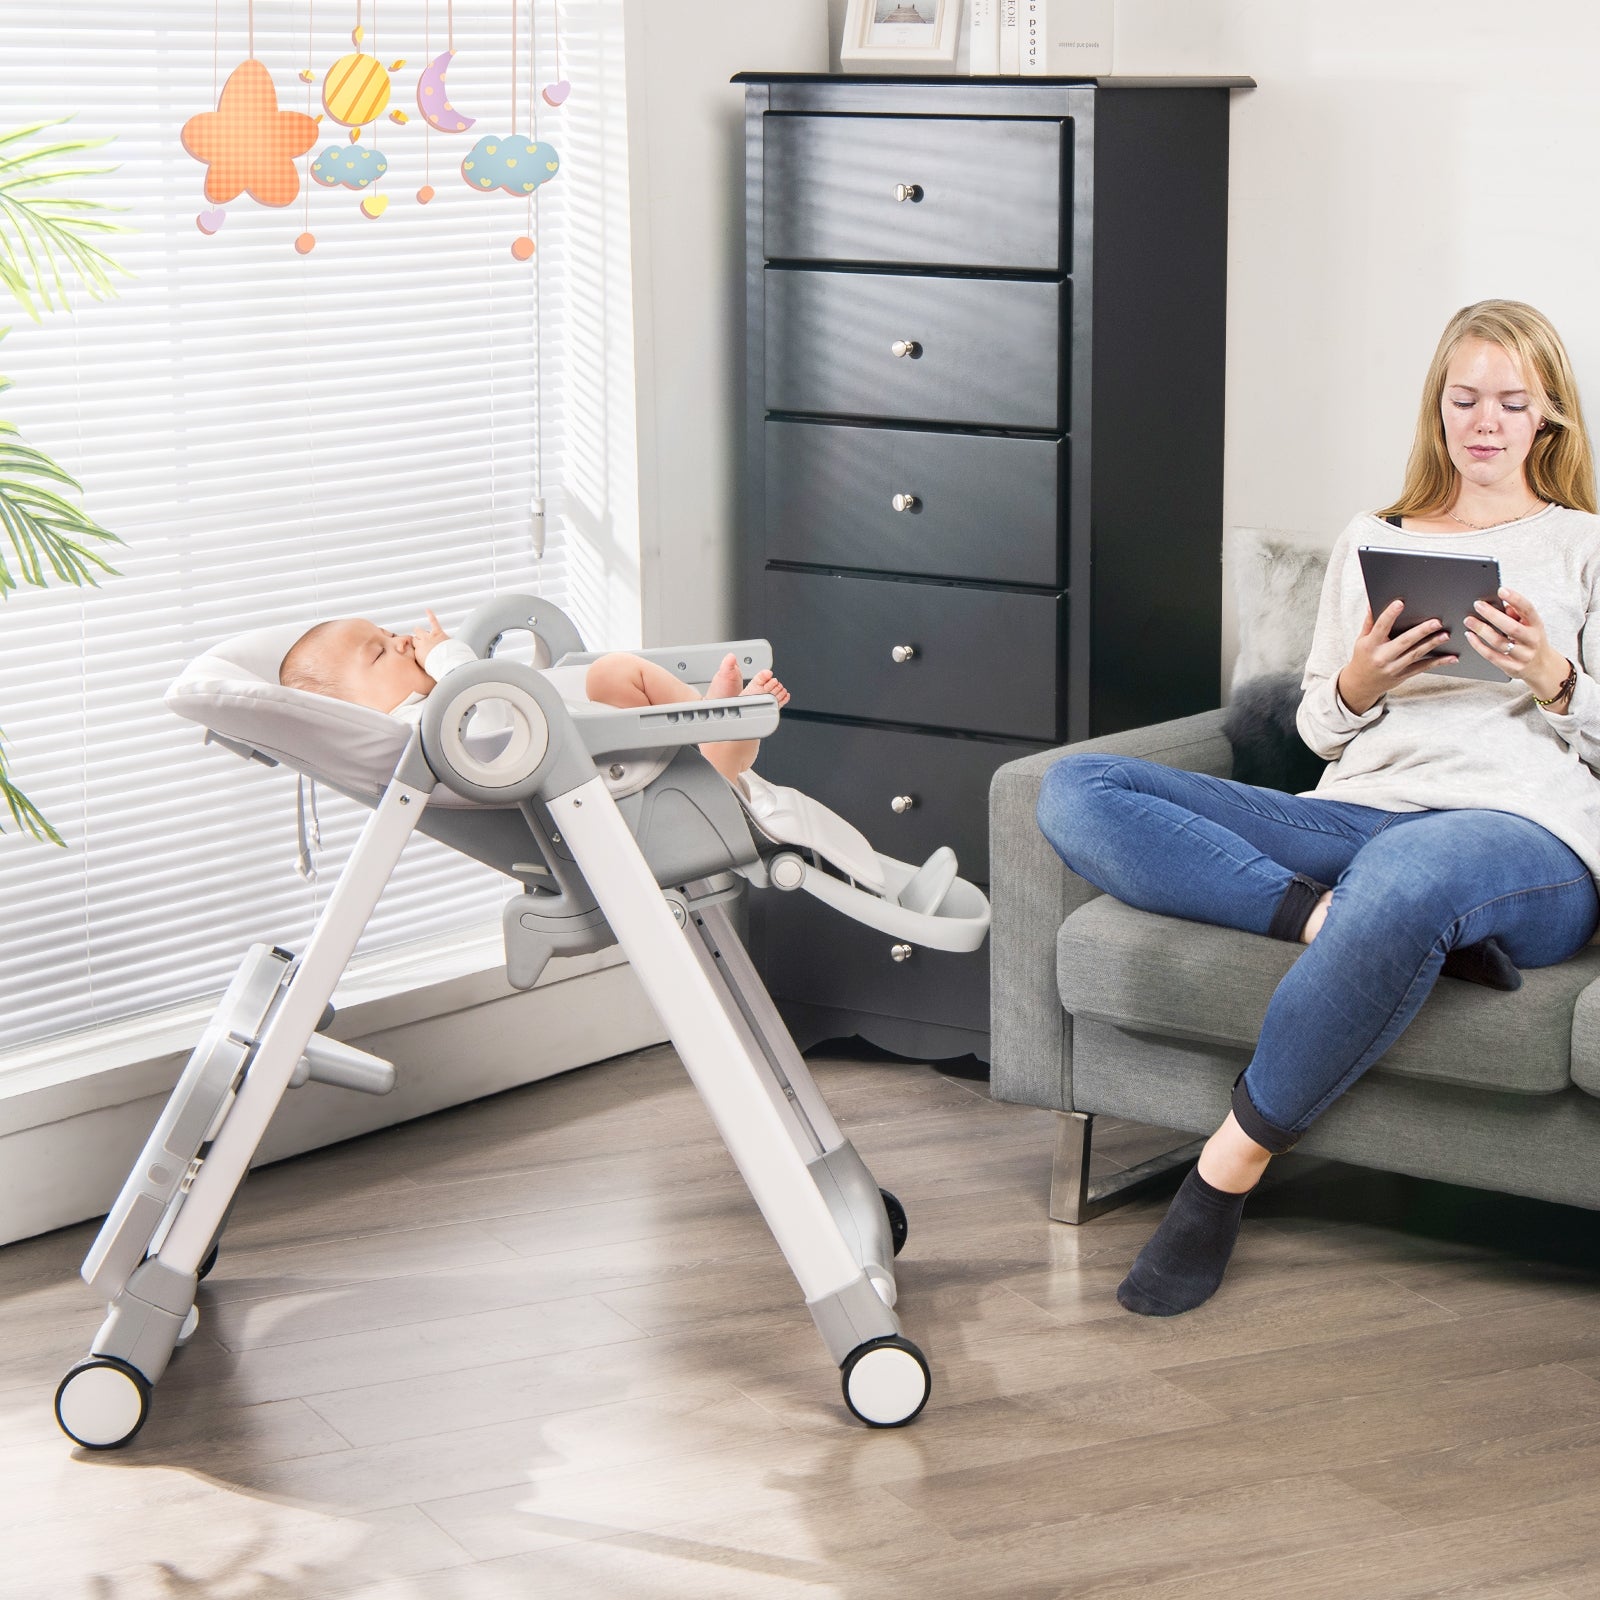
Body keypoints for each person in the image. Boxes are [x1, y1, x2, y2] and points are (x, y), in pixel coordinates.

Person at [1035, 299, 1600, 1316]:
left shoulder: (1582, 546)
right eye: (1463, 398)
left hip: (1526, 837)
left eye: (1510, 403)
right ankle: (1337, 921)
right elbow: (1316, 733)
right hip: (1362, 812)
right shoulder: (1372, 536)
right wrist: (1359, 679)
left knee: (1411, 874)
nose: (1484, 421)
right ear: (1436, 407)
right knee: (1076, 787)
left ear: (1547, 416)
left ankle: (1222, 1173)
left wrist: (1556, 677)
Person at [280, 609, 789, 782]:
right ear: (357, 709)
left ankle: (709, 717)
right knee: (619, 675)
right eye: (378, 653)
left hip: (582, 731)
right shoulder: (418, 729)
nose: (400, 642)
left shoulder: (439, 703)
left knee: (615, 675)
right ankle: (725, 747)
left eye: (388, 633)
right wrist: (446, 659)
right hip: (591, 768)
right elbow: (490, 708)